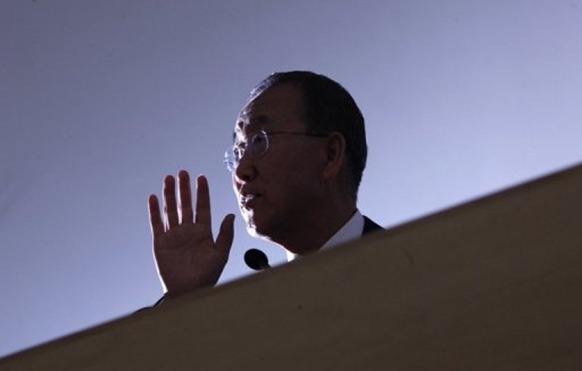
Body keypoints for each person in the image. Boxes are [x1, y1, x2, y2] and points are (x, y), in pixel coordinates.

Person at [147, 71, 382, 299]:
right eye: (238, 151)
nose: (241, 171)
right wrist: (184, 301)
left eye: (259, 141)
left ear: (330, 154)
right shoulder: (256, 314)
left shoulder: (414, 263)